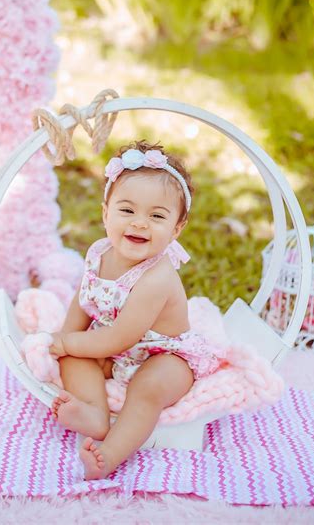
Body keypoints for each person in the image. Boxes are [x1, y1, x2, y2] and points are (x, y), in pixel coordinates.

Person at [49, 141, 221, 480]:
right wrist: (66, 338)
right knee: (73, 357)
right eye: (127, 210)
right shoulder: (99, 254)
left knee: (149, 387)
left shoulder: (157, 277)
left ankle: (110, 453)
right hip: (118, 354)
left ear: (176, 229)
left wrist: (69, 343)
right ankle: (94, 413)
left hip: (164, 354)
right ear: (105, 213)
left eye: (156, 216)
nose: (139, 223)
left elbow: (119, 337)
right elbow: (85, 299)